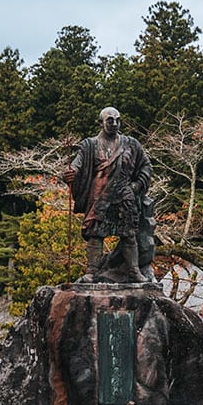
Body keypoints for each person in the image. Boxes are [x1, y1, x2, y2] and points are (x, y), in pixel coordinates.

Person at [65, 106, 155, 283]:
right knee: (95, 234)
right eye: (110, 120)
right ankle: (91, 272)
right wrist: (70, 174)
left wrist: (136, 186)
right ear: (101, 122)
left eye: (117, 120)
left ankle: (134, 271)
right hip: (99, 196)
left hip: (124, 195)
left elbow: (146, 166)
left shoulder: (131, 144)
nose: (114, 123)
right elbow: (77, 165)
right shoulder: (90, 145)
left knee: (129, 234)